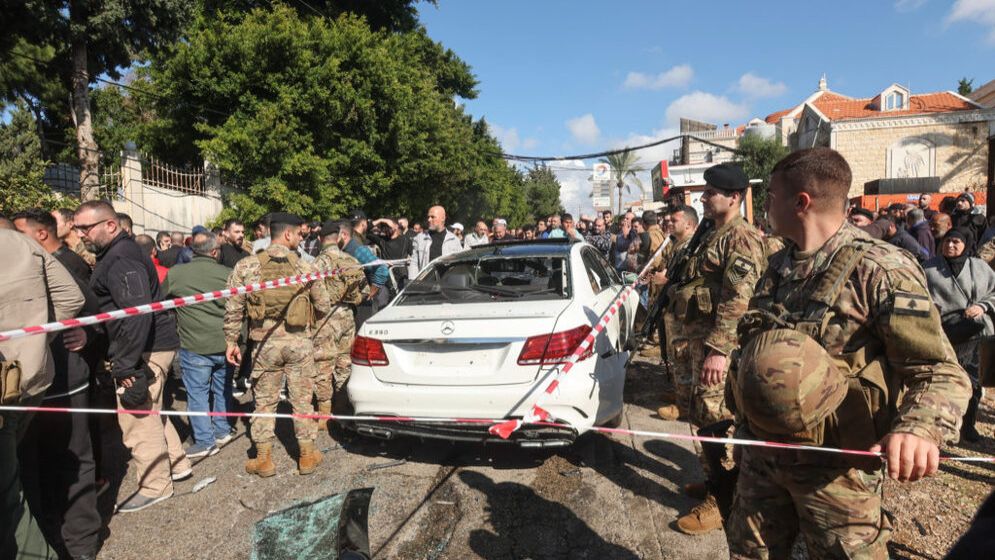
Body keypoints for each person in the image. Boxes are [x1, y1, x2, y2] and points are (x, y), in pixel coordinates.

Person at [726, 147, 971, 559]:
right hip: (762, 459)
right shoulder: (776, 264)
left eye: (770, 195)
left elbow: (939, 371)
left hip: (837, 474)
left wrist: (919, 428)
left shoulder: (879, 269)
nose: (764, 205)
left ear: (800, 202)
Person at [666, 162, 767, 536]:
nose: (704, 198)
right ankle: (716, 485)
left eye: (711, 193)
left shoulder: (741, 238)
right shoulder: (711, 234)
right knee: (701, 414)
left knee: (716, 417)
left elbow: (737, 300)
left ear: (734, 197)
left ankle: (725, 501)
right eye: (705, 192)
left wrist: (719, 351)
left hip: (717, 347)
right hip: (697, 342)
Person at [73, 200, 191, 513]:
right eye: (77, 227)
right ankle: (177, 465)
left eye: (86, 227)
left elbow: (136, 315)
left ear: (110, 225)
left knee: (136, 416)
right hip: (144, 347)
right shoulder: (115, 254)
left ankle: (156, 486)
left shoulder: (121, 258)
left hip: (142, 350)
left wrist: (125, 363)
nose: (80, 234)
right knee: (150, 409)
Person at [2, 218, 90, 560]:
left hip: (11, 384)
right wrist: (36, 339)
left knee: (12, 490)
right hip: (32, 378)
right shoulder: (25, 246)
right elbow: (70, 297)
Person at [224, 213, 331, 477]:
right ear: (287, 235)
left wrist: (231, 341)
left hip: (264, 345)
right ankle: (306, 456)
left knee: (264, 402)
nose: (300, 238)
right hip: (298, 344)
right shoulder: (306, 268)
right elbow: (323, 305)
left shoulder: (247, 266)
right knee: (302, 401)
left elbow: (233, 308)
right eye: (298, 234)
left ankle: (264, 460)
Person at [161, 232, 234, 457]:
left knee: (198, 394)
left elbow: (161, 301)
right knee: (222, 389)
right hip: (225, 343)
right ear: (214, 252)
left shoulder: (177, 274)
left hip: (194, 344)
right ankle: (222, 430)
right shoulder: (229, 274)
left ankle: (205, 440)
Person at [924, 228, 995, 443]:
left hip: (976, 332)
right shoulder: (928, 268)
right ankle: (941, 426)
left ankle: (968, 425)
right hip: (943, 332)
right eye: (947, 241)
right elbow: (919, 293)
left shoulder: (980, 267)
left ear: (966, 244)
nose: (950, 246)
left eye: (956, 242)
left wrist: (982, 306)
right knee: (942, 379)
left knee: (973, 382)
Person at [311, 220, 366, 427]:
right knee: (344, 363)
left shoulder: (318, 263)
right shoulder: (351, 260)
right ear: (339, 238)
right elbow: (364, 292)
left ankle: (324, 413)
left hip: (325, 319)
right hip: (348, 317)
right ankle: (343, 409)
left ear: (320, 239)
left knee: (323, 364)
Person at [654, 205, 700, 422]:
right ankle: (681, 392)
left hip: (686, 311)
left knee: (682, 356)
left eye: (674, 220)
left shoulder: (693, 246)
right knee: (677, 355)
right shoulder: (677, 245)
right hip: (675, 308)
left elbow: (695, 279)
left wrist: (667, 282)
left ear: (689, 224)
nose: (668, 223)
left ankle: (684, 405)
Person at [409, 205, 463, 279]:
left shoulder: (454, 240)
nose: (429, 219)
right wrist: (413, 283)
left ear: (443, 218)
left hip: (447, 285)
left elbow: (459, 264)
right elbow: (414, 263)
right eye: (428, 217)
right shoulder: (420, 238)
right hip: (425, 284)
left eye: (432, 217)